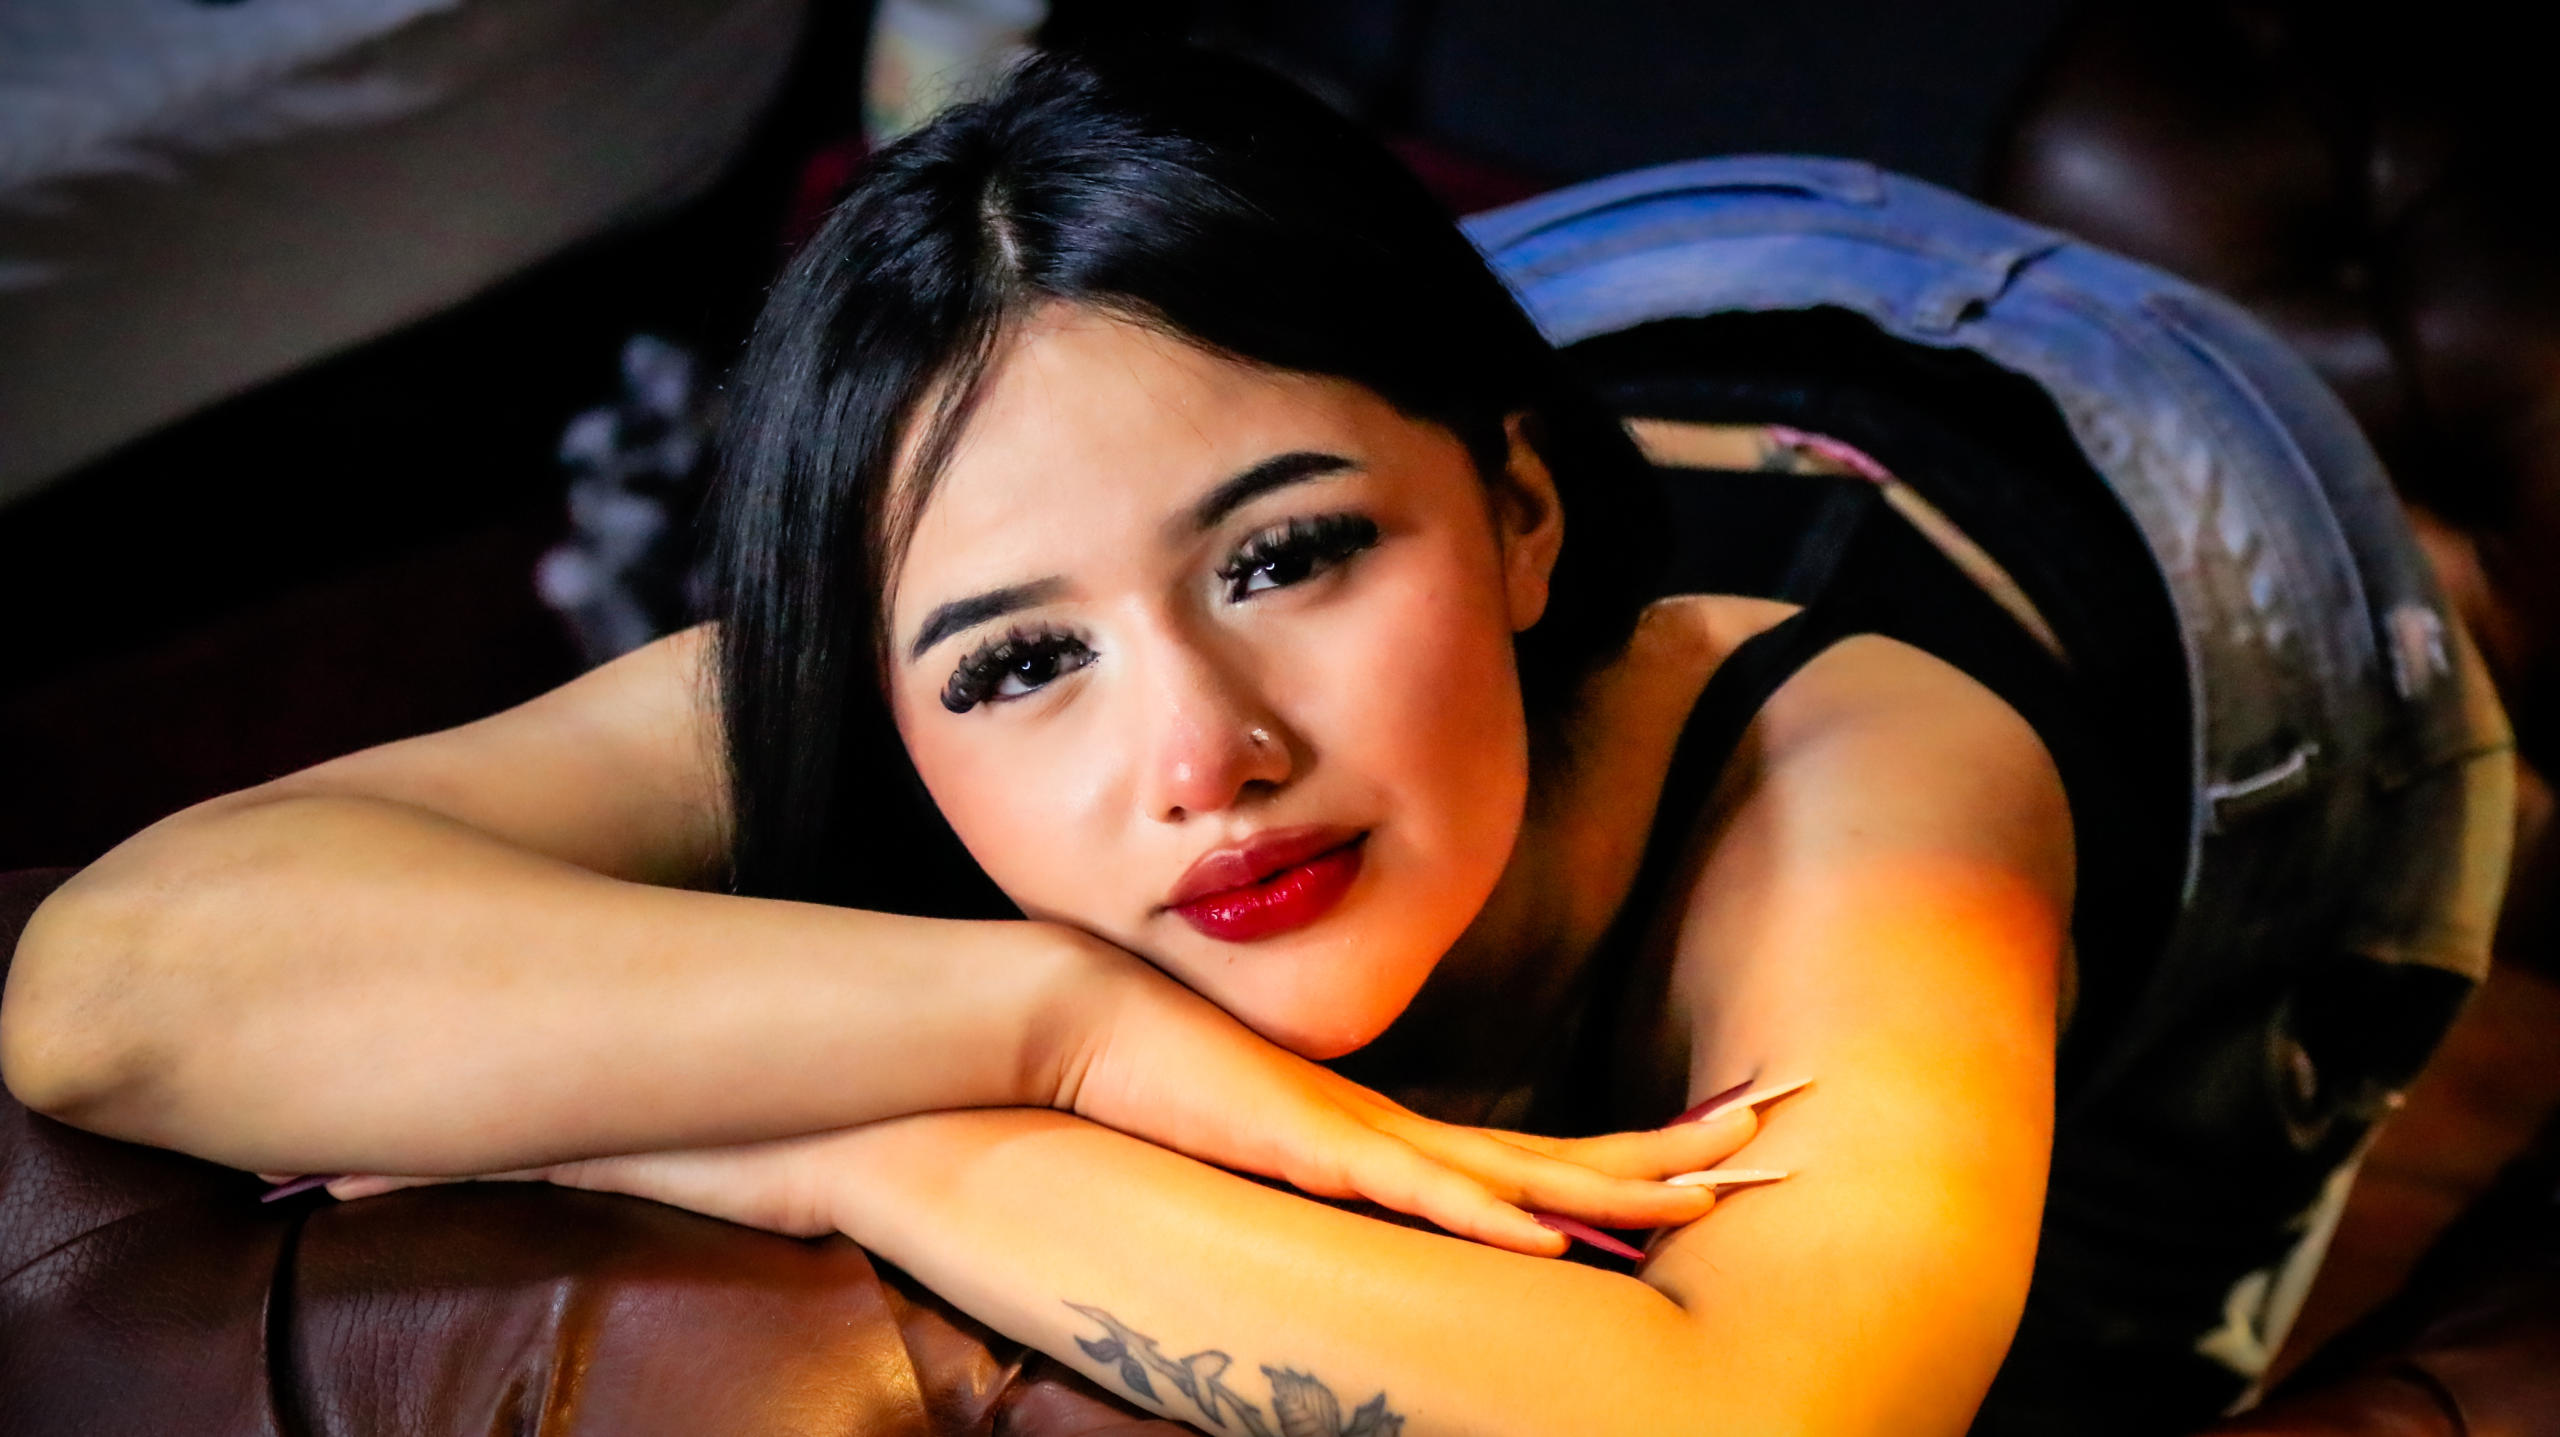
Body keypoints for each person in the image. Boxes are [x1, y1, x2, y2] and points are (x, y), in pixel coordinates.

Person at [0, 47, 2502, 1437]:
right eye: (1016, 665)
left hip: (2176, 531)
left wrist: (842, 1130)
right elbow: (114, 982)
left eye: (1286, 560)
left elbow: (1774, 1415)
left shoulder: (1862, 767)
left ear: (1513, 520)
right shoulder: (944, 617)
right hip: (1545, 323)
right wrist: (1040, 1030)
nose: (1197, 746)